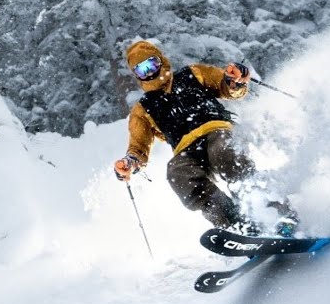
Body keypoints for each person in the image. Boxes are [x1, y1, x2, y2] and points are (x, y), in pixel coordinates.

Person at [113, 39, 299, 237]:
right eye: (142, 70)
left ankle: (276, 212)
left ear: (161, 61)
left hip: (216, 130)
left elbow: (224, 86)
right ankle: (236, 225)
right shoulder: (143, 109)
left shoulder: (192, 74)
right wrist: (130, 162)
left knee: (223, 152)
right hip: (186, 149)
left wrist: (234, 81)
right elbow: (138, 147)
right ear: (137, 76)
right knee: (178, 174)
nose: (149, 72)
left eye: (152, 64)